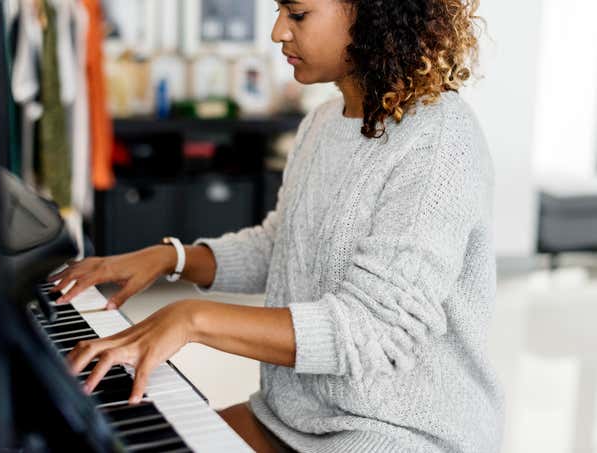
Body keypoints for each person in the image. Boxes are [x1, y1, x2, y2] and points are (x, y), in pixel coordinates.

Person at [50, 0, 504, 451]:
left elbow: (373, 331)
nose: (278, 33)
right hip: (290, 417)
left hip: (397, 432)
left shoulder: (440, 140)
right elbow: (280, 248)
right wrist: (172, 257)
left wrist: (192, 318)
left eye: (298, 14)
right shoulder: (322, 123)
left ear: (373, 13)